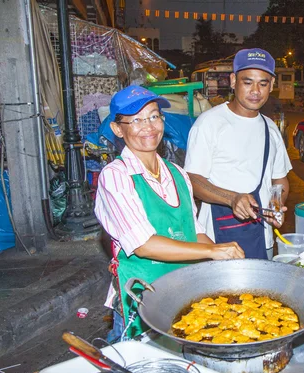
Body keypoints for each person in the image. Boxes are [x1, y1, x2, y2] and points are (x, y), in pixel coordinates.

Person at [94, 85, 245, 340]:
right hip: (142, 300)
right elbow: (142, 244)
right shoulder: (116, 177)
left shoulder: (178, 174)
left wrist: (224, 261)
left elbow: (193, 231)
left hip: (184, 294)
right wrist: (212, 251)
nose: (149, 126)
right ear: (118, 129)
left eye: (154, 116)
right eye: (136, 120)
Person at [185, 48, 292, 260]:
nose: (255, 90)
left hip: (263, 237)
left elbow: (280, 178)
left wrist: (276, 207)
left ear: (271, 85)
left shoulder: (270, 128)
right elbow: (192, 179)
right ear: (233, 81)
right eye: (247, 81)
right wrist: (232, 198)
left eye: (263, 83)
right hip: (218, 238)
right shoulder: (210, 123)